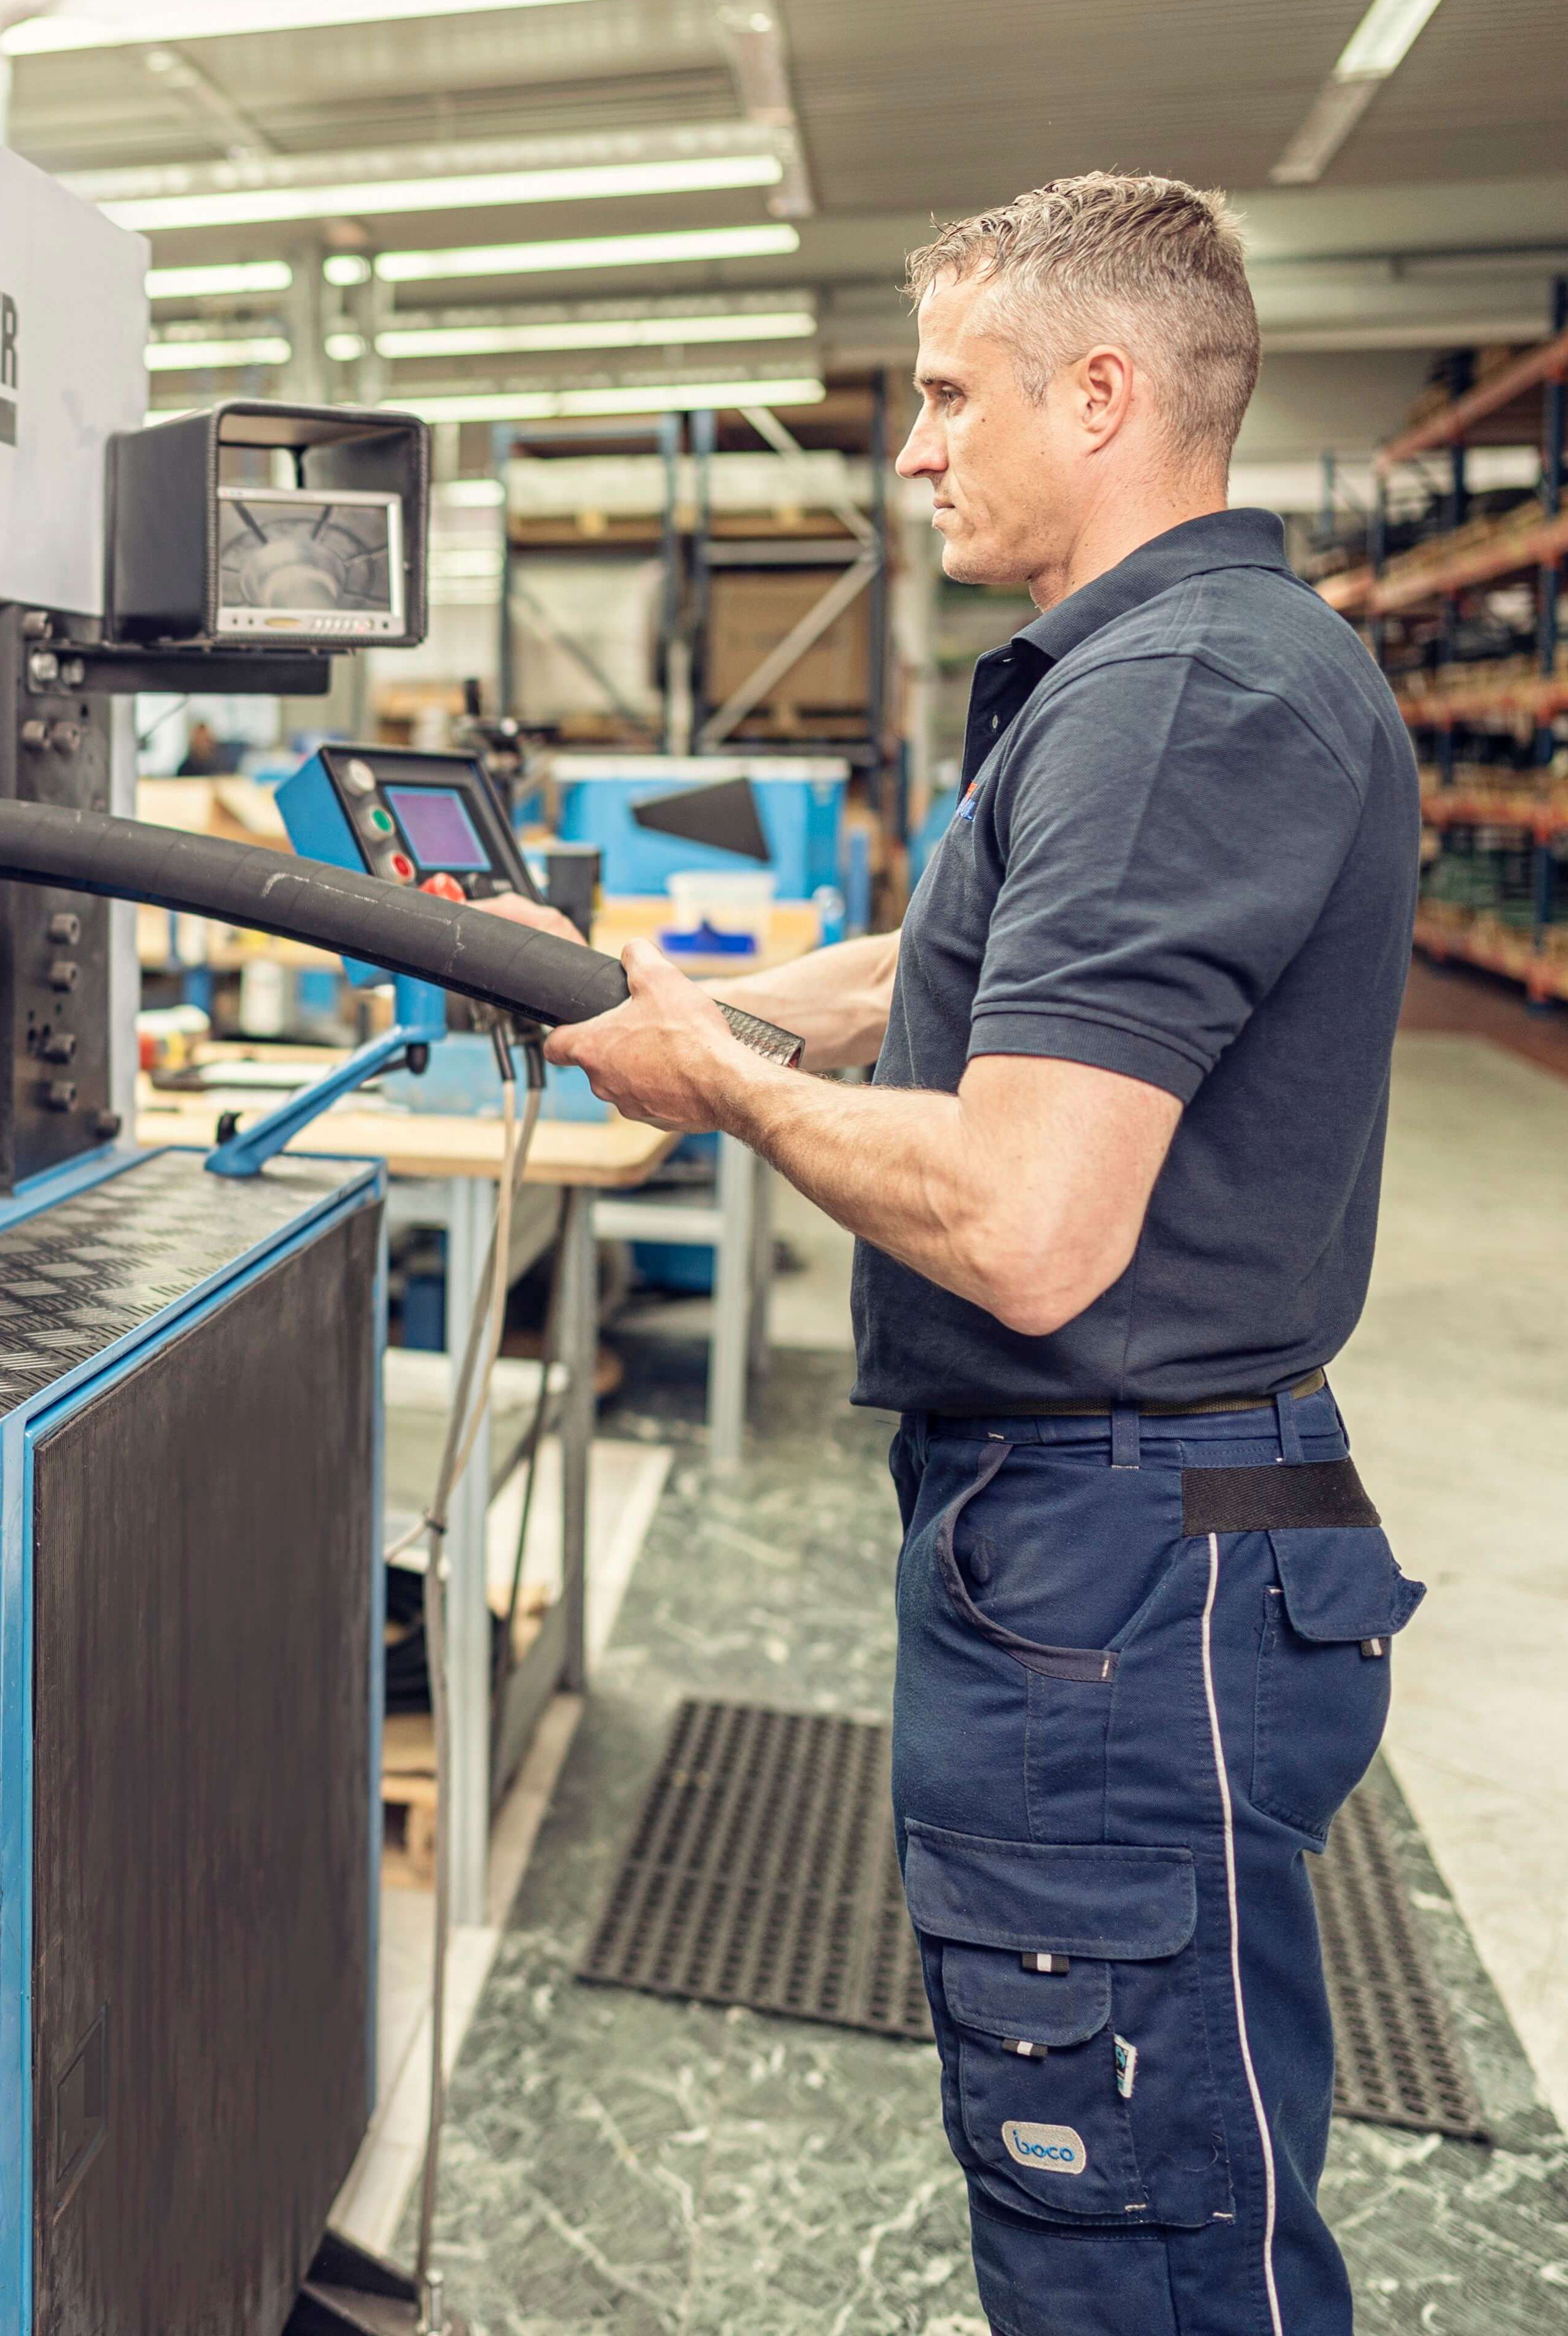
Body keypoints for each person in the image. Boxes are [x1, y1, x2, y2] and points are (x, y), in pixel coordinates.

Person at [488, 174, 1420, 2335]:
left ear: (1103, 394)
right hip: (1201, 1516)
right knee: (1181, 2145)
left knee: (1141, 2222)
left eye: (943, 395)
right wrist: (714, 1004)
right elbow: (1004, 957)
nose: (911, 448)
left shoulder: (1172, 696)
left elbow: (1023, 1218)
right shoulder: (1211, 665)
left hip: (1119, 1564)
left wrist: (717, 1090)